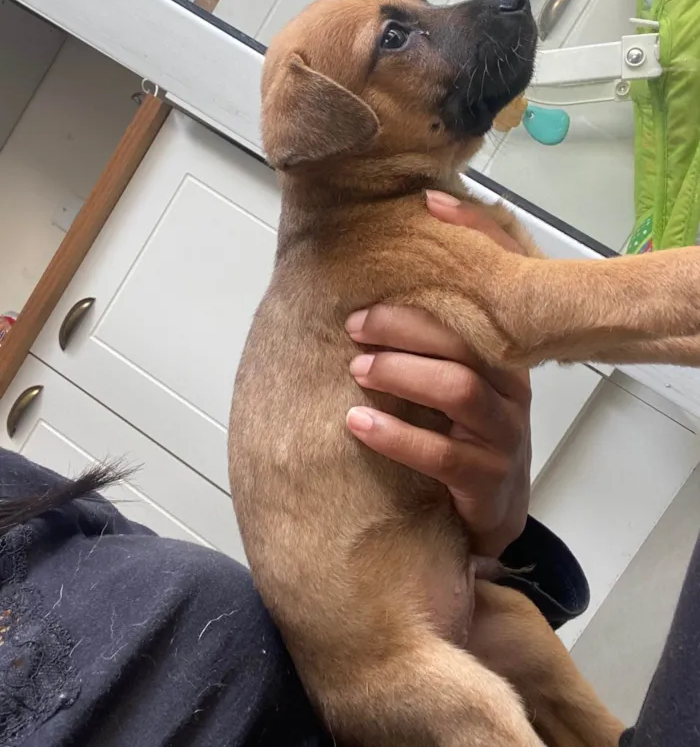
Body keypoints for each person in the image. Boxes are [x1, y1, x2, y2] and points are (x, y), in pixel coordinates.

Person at [0, 194, 697, 746]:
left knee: (516, 637)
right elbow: (557, 310)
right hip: (422, 684)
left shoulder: (22, 502)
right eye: (394, 54)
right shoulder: (356, 233)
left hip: (444, 627)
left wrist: (478, 525)